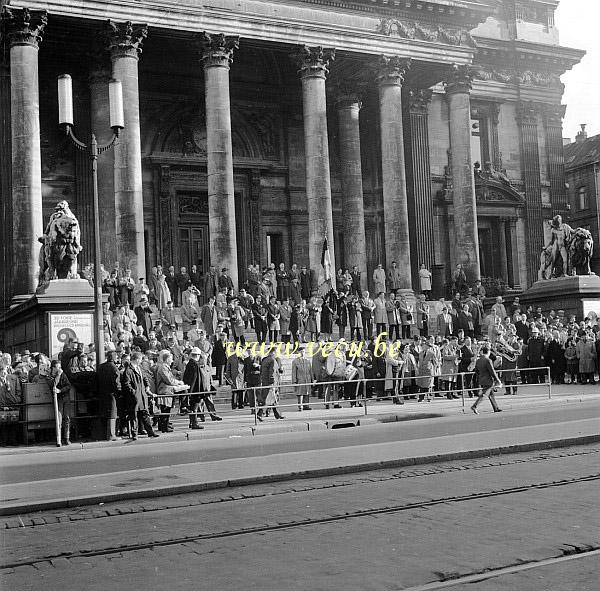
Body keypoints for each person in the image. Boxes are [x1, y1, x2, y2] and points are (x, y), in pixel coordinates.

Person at [121, 351, 160, 440]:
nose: (141, 361)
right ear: (137, 359)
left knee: (145, 414)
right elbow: (127, 384)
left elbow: (144, 377)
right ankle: (135, 434)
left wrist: (147, 386)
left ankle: (150, 432)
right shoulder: (128, 370)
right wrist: (133, 392)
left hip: (142, 395)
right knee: (134, 416)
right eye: (140, 359)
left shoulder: (139, 368)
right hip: (135, 397)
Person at [155, 350, 187, 433]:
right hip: (164, 391)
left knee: (167, 410)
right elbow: (169, 380)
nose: (172, 361)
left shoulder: (165, 367)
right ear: (167, 359)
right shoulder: (163, 368)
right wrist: (178, 382)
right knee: (165, 410)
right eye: (171, 359)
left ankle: (164, 426)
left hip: (167, 390)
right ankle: (164, 427)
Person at [96, 350, 121, 441]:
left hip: (102, 393)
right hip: (111, 394)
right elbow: (117, 384)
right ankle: (111, 435)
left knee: (104, 413)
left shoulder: (101, 367)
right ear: (113, 358)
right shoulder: (114, 368)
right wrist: (119, 392)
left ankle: (103, 434)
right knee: (112, 414)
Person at [471, 345, 502, 414]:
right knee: (484, 395)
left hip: (482, 379)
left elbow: (476, 370)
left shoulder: (478, 360)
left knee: (491, 394)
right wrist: (497, 380)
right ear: (488, 352)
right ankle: (474, 406)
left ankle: (496, 408)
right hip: (488, 380)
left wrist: (481, 376)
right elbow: (492, 371)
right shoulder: (488, 360)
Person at [258, 349, 285, 420]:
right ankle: (260, 414)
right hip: (271, 383)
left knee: (274, 399)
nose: (277, 354)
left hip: (265, 382)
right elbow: (272, 372)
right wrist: (272, 383)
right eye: (277, 352)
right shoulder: (273, 360)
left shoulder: (264, 360)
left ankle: (278, 414)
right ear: (274, 352)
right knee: (267, 399)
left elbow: (261, 371)